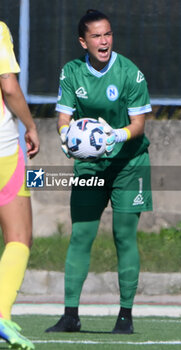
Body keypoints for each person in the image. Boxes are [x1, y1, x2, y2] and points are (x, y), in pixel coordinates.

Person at [46, 9, 152, 334]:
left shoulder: (129, 73)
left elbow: (138, 124)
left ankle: (125, 317)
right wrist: (65, 135)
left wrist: (116, 134)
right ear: (83, 41)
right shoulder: (72, 72)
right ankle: (70, 316)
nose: (104, 41)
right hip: (90, 166)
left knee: (123, 235)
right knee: (80, 235)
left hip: (129, 164)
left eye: (107, 34)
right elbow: (64, 115)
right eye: (96, 36)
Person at [0, 21, 39, 349]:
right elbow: (9, 86)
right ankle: (0, 313)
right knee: (18, 237)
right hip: (1, 150)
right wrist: (30, 125)